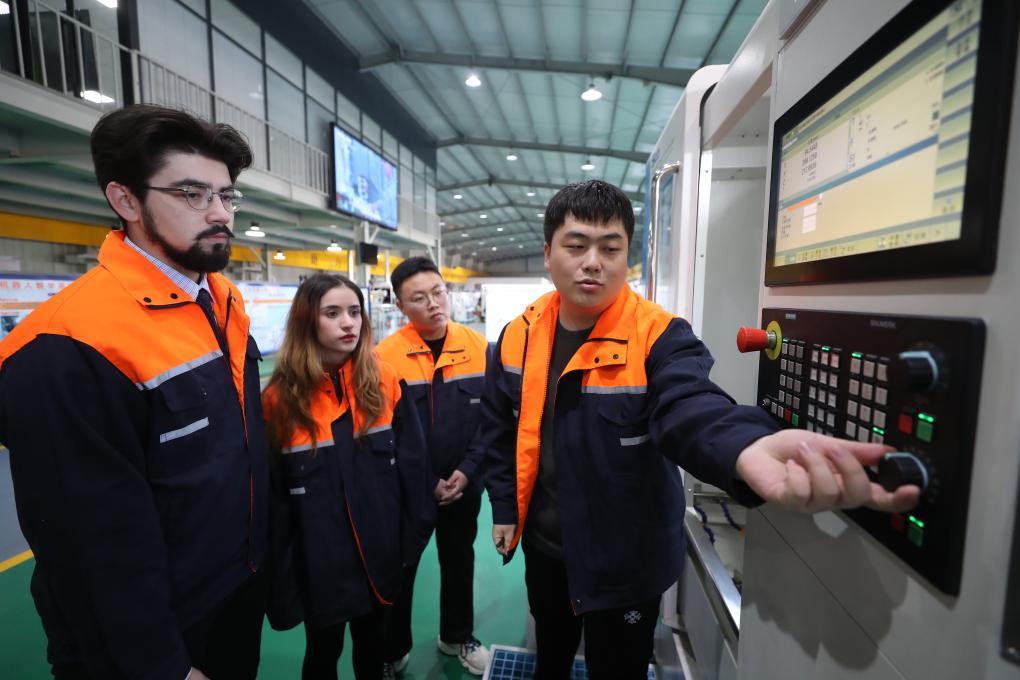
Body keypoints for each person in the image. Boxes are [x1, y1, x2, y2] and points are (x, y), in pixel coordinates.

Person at [479, 180, 921, 679]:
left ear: (627, 257)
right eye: (576, 246)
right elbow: (499, 428)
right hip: (546, 548)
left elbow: (689, 406)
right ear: (548, 254)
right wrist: (504, 507)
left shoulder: (660, 336)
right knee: (550, 656)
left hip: (625, 561)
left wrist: (743, 446)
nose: (593, 262)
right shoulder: (519, 335)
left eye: (610, 248)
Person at [0, 104, 269, 678]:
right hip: (148, 641)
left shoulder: (222, 302)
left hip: (231, 596)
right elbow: (88, 544)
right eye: (193, 194)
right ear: (125, 200)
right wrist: (161, 666)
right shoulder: (65, 347)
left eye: (226, 196)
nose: (220, 213)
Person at [262, 273, 435, 680]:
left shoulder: (386, 382)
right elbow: (274, 503)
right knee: (322, 654)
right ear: (307, 321)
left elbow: (415, 473)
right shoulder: (278, 402)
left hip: (382, 557)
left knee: (372, 651)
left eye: (355, 312)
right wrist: (284, 579)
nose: (348, 323)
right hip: (320, 566)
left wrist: (408, 548)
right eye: (333, 313)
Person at [375, 257, 491, 675]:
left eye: (438, 292)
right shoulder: (384, 358)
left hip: (464, 484)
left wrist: (469, 470)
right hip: (407, 491)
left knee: (459, 561)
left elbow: (492, 419)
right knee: (401, 569)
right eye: (419, 298)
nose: (433, 304)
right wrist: (425, 482)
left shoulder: (479, 348)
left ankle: (457, 636)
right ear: (401, 306)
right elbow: (384, 432)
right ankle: (393, 649)